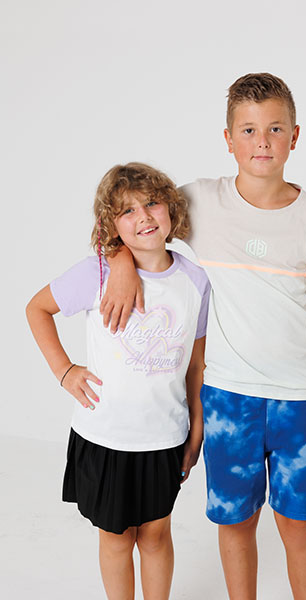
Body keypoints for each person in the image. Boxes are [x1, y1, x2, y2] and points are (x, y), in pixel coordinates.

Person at [100, 73, 306, 600]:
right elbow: (137, 221)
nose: (263, 142)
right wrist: (120, 260)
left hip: (301, 399)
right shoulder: (199, 201)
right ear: (229, 138)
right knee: (235, 520)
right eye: (249, 130)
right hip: (228, 397)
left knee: (300, 525)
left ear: (295, 136)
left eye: (275, 128)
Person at [26, 162, 210, 600]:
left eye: (152, 203)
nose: (143, 216)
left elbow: (196, 365)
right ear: (112, 225)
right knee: (116, 537)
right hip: (105, 435)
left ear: (171, 208)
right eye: (127, 211)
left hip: (164, 436)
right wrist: (65, 370)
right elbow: (37, 309)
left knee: (156, 535)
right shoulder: (98, 274)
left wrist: (197, 427)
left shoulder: (195, 281)